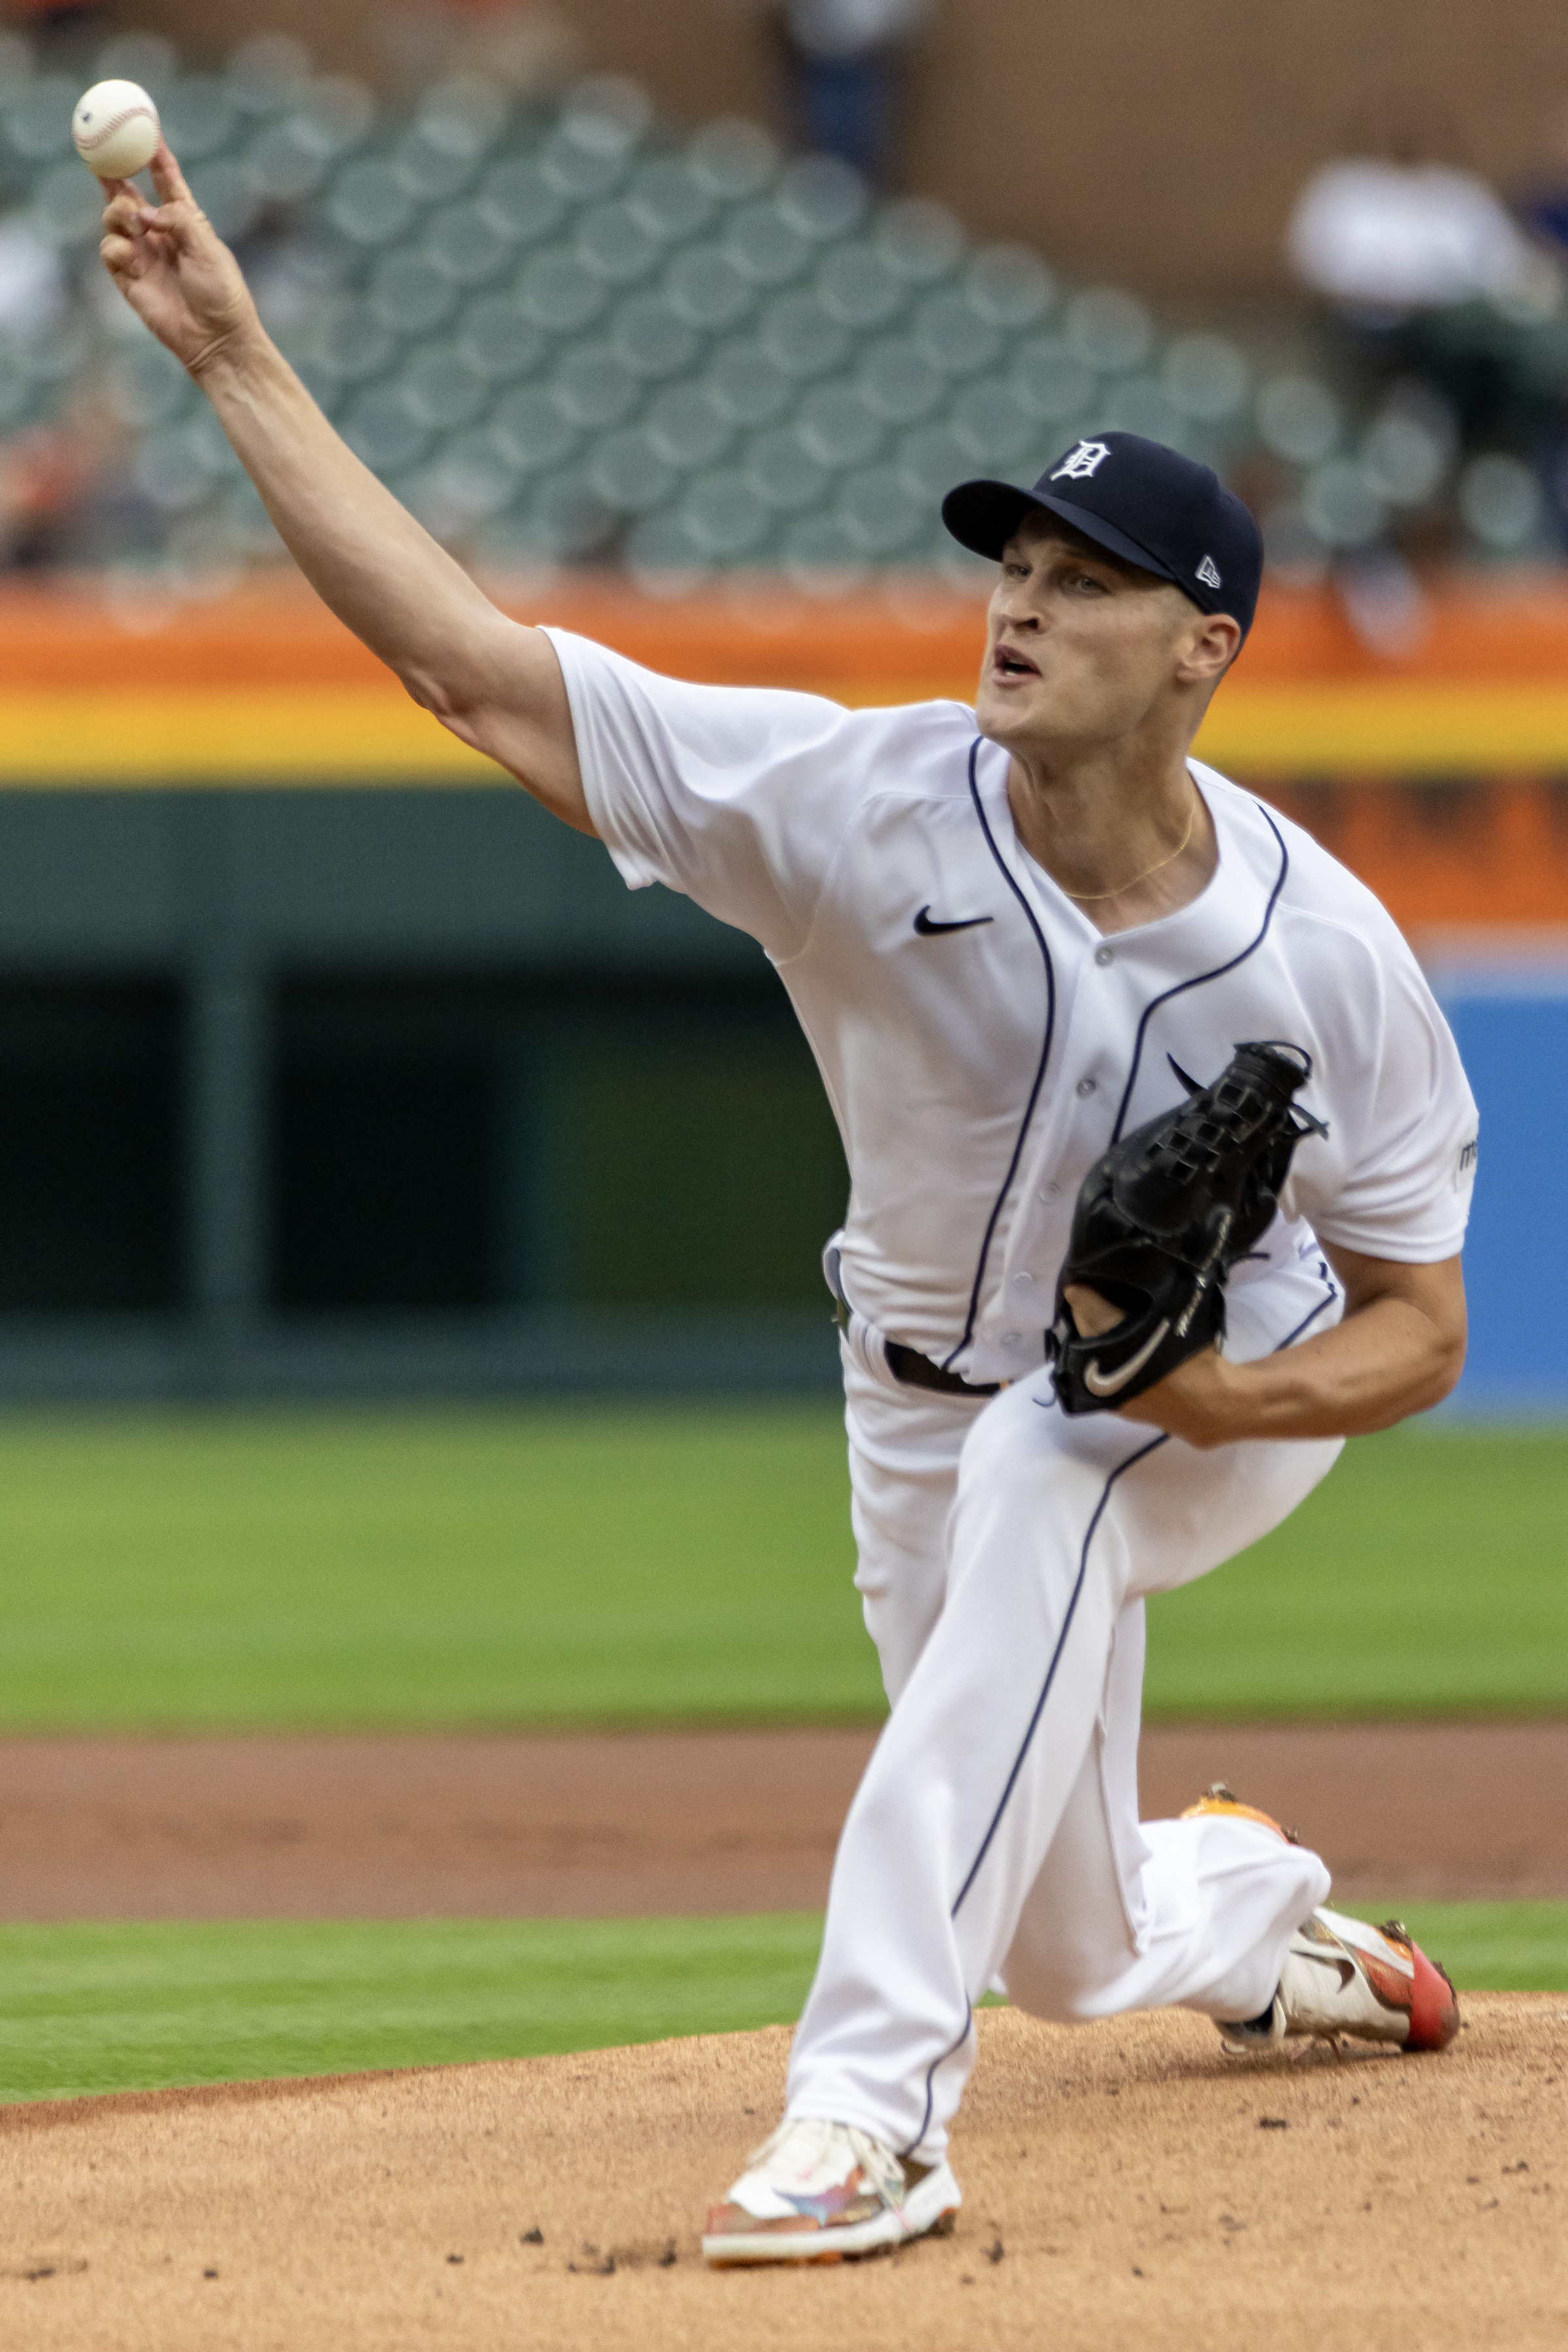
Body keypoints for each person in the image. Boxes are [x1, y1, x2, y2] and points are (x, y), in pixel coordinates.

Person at [99, 148, 1477, 2269]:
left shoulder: (1327, 945)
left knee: (1059, 1468)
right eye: (1012, 554)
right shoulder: (850, 807)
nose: (1020, 597)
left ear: (1205, 646)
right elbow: (473, 670)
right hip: (905, 1395)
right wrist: (233, 353)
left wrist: (1220, 1405)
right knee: (1068, 1941)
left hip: (1188, 1392)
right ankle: (1247, 1908)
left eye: (1087, 574)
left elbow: (1422, 1322)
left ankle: (865, 2124)